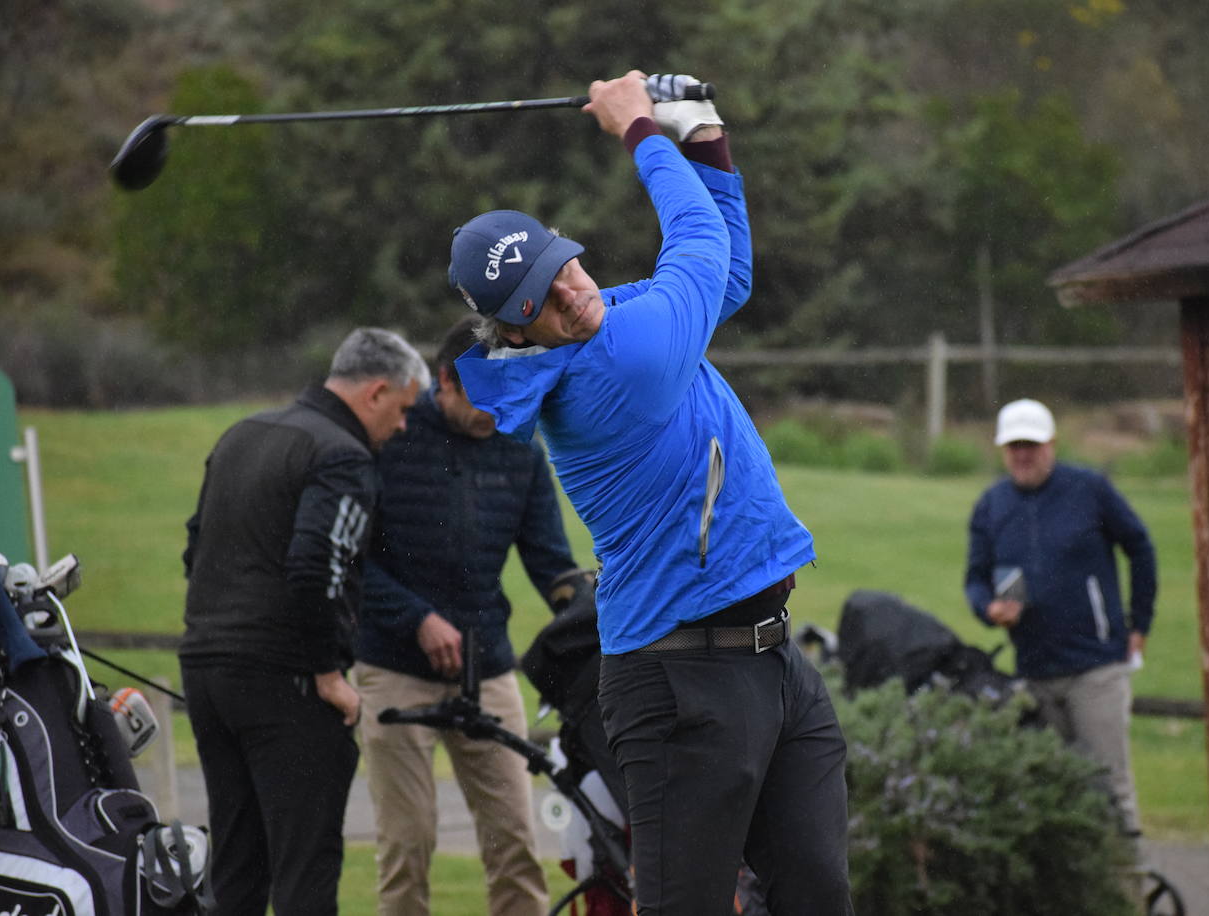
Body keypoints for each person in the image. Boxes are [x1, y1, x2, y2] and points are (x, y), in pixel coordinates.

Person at [449, 71, 853, 916]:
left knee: (816, 892)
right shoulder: (616, 366)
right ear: (515, 333)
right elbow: (697, 255)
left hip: (772, 660)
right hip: (679, 683)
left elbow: (726, 277)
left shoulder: (610, 318)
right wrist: (640, 132)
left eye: (565, 268)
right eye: (544, 302)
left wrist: (703, 131)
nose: (572, 293)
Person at [179, 327, 430, 916]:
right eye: (401, 409)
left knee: (237, 867)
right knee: (305, 867)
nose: (401, 427)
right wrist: (326, 672)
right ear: (375, 392)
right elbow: (321, 562)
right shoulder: (342, 455)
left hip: (207, 670)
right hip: (286, 681)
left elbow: (197, 548)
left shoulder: (244, 433)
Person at [354, 314, 582, 916]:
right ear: (445, 381)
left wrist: (585, 609)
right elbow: (348, 562)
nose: (498, 411)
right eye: (486, 396)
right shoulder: (388, 437)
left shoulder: (520, 446)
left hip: (489, 667)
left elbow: (551, 562)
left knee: (515, 842)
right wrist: (417, 619)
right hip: (392, 666)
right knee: (408, 844)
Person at [963, 397, 1157, 840]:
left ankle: (1132, 895)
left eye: (1031, 444)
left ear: (1051, 443)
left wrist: (1138, 623)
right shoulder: (992, 505)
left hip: (1097, 668)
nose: (1023, 454)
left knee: (1111, 790)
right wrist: (989, 610)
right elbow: (975, 579)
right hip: (1034, 671)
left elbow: (1140, 547)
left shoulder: (1089, 489)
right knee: (1052, 794)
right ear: (1002, 450)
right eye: (1014, 446)